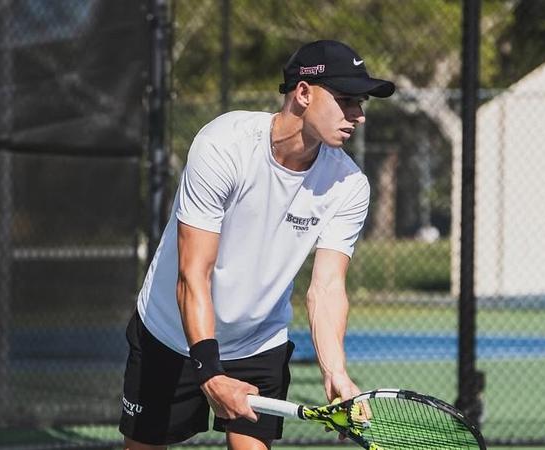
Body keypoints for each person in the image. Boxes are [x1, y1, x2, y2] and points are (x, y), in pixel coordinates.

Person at [120, 40, 395, 450]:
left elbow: (327, 287)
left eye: (362, 102)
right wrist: (210, 373)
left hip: (258, 341)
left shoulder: (350, 185)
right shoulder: (222, 146)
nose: (359, 115)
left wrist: (334, 369)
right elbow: (193, 273)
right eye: (346, 100)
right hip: (171, 333)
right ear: (303, 93)